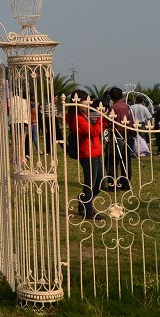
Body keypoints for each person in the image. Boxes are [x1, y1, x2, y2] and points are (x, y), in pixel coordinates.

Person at [65, 90, 107, 221]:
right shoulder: (77, 118)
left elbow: (100, 129)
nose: (88, 103)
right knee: (90, 183)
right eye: (85, 100)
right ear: (77, 102)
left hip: (97, 150)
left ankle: (83, 200)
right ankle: (88, 211)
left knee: (101, 183)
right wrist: (100, 119)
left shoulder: (86, 114)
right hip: (87, 153)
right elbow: (93, 131)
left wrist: (104, 119)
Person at [108, 87, 135, 191]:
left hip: (116, 135)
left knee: (112, 160)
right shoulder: (127, 107)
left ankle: (113, 183)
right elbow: (131, 123)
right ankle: (125, 183)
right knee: (126, 160)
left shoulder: (113, 107)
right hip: (126, 134)